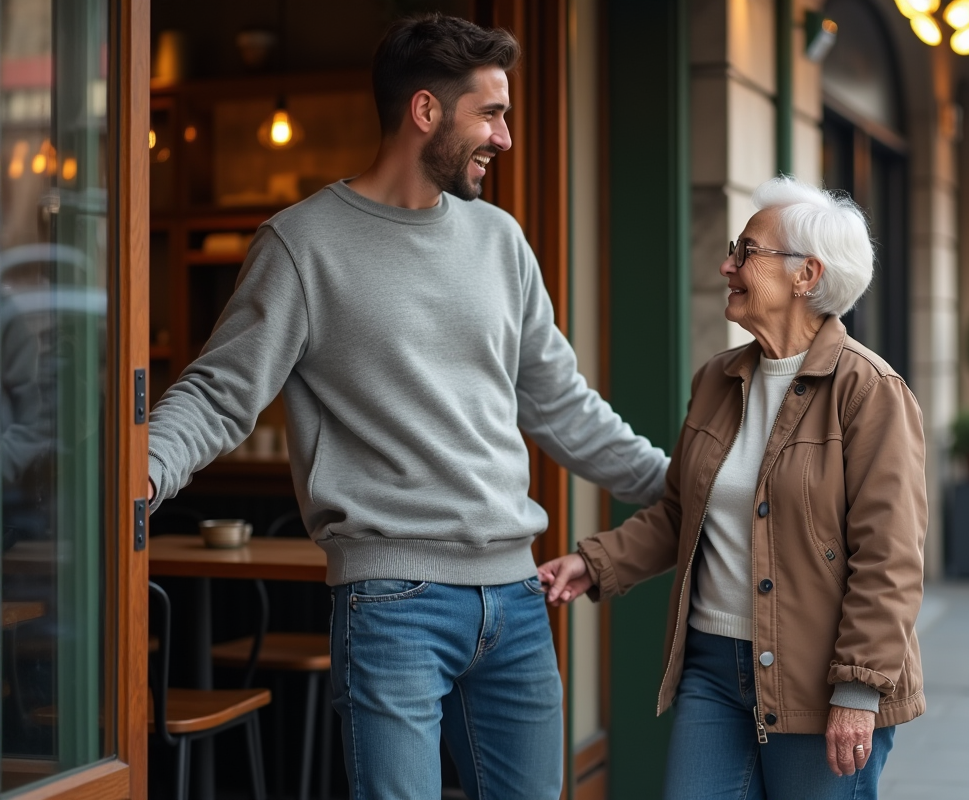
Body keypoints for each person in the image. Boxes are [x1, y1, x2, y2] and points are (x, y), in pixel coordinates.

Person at [145, 15, 669, 799]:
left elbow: (564, 406)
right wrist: (142, 469)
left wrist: (683, 482)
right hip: (394, 604)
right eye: (490, 114)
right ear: (425, 112)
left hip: (517, 601)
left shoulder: (501, 241)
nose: (507, 137)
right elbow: (221, 393)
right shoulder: (302, 245)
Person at [539, 177, 926, 800]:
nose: (726, 265)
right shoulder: (718, 380)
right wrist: (597, 561)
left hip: (818, 679)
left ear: (807, 275)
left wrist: (857, 691)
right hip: (712, 674)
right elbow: (679, 512)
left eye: (745, 251)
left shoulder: (870, 391)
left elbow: (890, 559)